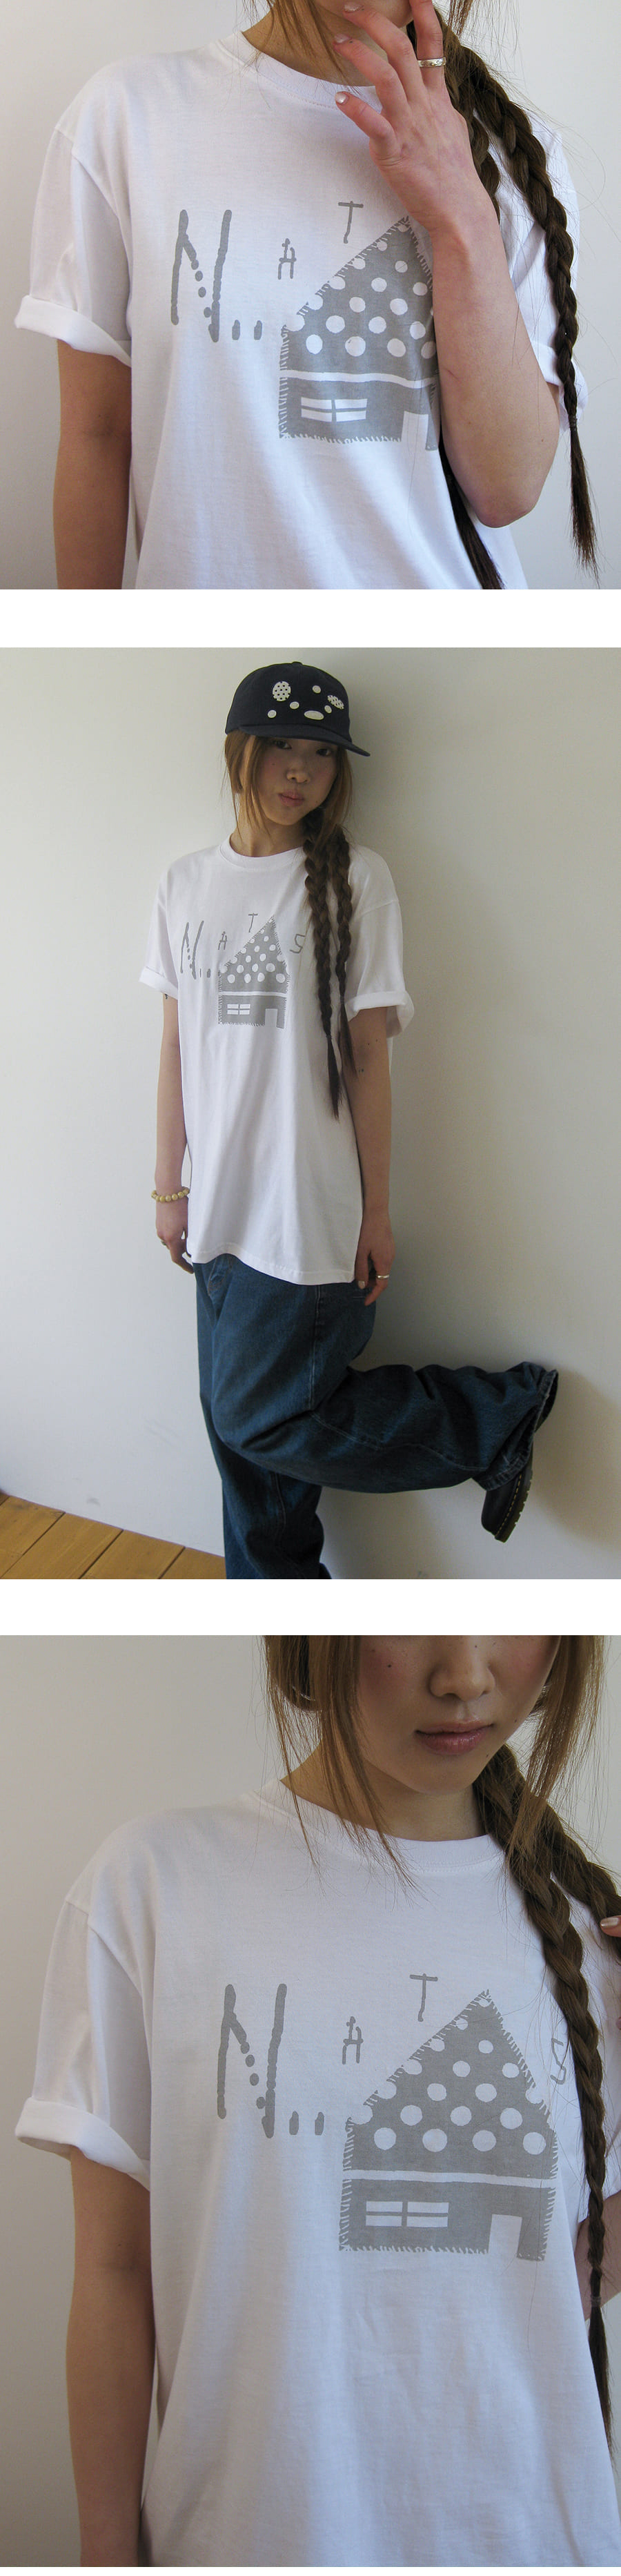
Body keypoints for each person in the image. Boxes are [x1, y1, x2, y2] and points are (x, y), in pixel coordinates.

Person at [14, 1633, 621, 2566]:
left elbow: (573, 2274)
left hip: (536, 2545)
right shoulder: (153, 1885)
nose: (464, 1676)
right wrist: (106, 2563)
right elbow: (114, 2269)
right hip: (249, 2547)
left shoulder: (588, 1938)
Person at [144, 661, 556, 1577]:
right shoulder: (184, 882)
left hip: (308, 1214)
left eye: (322, 754)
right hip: (218, 1213)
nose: (300, 770)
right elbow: (174, 1046)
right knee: (242, 1450)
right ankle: (281, 1608)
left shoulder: (358, 880)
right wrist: (169, 1186)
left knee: (258, 1418)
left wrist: (376, 1210)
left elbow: (371, 1060)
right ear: (239, 751)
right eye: (281, 747)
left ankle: (492, 1418)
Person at [16, 3, 595, 594]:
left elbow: (508, 489)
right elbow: (97, 435)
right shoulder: (127, 115)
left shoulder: (515, 154)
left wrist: (463, 218)